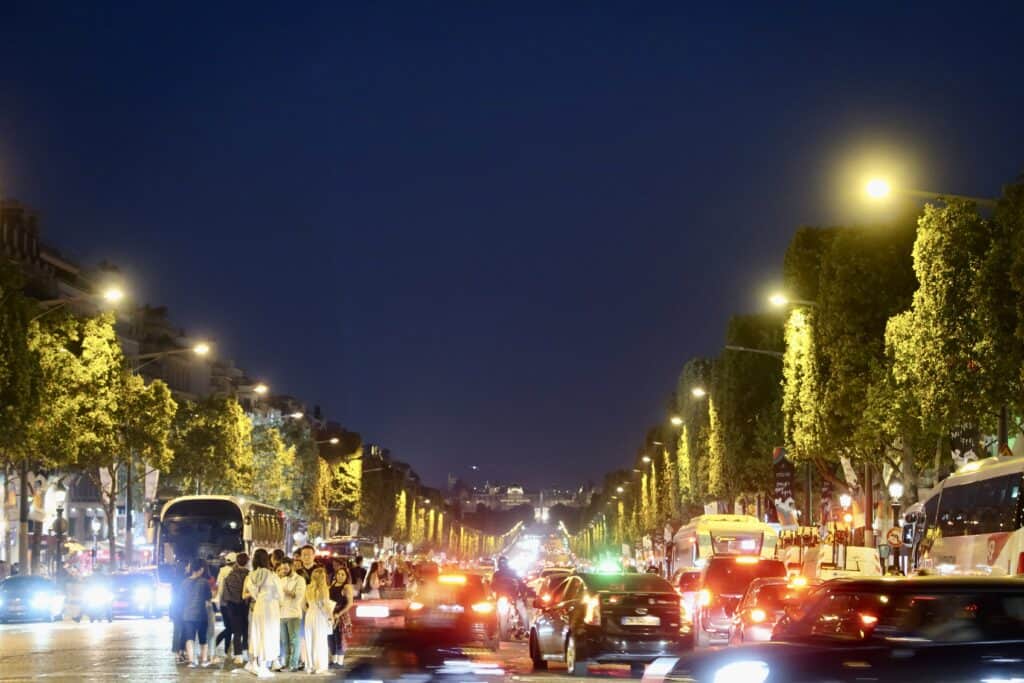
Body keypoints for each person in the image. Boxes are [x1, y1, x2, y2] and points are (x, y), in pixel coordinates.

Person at [244, 548, 282, 677]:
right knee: (269, 633)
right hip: (271, 607)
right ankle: (263, 665)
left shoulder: (251, 575)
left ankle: (254, 662)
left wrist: (259, 596)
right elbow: (279, 594)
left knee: (256, 632)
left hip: (259, 606)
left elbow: (253, 592)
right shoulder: (272, 575)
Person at [182, 558, 214, 668]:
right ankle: (204, 660)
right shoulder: (204, 582)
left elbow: (181, 599)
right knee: (203, 639)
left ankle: (192, 661)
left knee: (189, 638)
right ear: (200, 569)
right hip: (201, 614)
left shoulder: (185, 582)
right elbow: (209, 598)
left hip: (187, 614)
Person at [275, 557, 305, 672]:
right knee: (284, 641)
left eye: (286, 568)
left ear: (292, 566)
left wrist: (287, 592)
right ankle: (286, 663)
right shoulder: (281, 580)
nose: (284, 570)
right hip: (282, 614)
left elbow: (298, 596)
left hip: (294, 614)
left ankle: (293, 664)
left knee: (294, 640)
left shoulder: (300, 579)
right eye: (282, 568)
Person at [302, 567, 334, 674]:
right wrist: (330, 617)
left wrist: (309, 610)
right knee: (320, 640)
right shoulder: (324, 589)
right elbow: (326, 606)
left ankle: (309, 666)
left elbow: (302, 605)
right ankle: (320, 665)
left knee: (309, 640)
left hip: (309, 614)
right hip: (320, 616)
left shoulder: (307, 588)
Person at [221, 552, 249, 665]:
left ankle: (238, 656)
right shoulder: (250, 575)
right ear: (247, 562)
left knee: (237, 631)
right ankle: (246, 651)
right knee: (246, 630)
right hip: (245, 606)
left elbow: (225, 594)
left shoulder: (230, 576)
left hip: (233, 607)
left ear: (237, 562)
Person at [328, 564, 355, 668]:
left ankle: (340, 662)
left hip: (341, 615)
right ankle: (333, 660)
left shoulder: (347, 587)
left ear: (346, 576)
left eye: (343, 575)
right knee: (331, 637)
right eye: (338, 574)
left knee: (340, 638)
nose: (340, 576)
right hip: (331, 614)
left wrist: (339, 614)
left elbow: (350, 603)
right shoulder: (332, 585)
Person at [214, 552, 236, 656]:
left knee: (229, 627)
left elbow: (219, 587)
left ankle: (226, 650)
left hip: (222, 603)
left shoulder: (221, 571)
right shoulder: (233, 571)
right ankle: (216, 643)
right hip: (230, 603)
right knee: (230, 628)